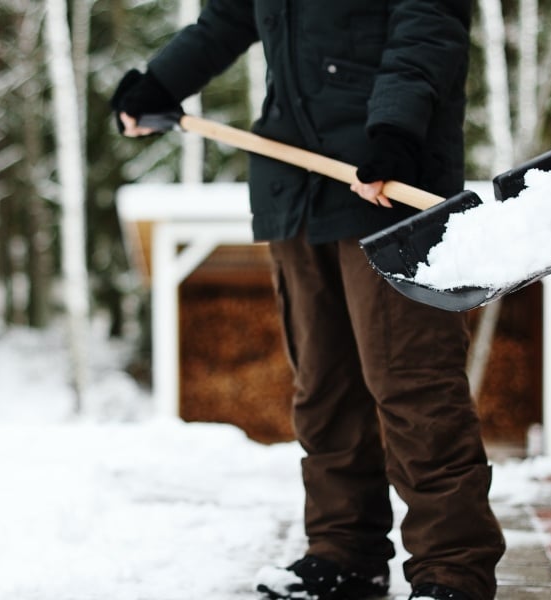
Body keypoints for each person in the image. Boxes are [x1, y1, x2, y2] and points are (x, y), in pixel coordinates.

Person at [110, 2, 505, 599]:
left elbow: (428, 24)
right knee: (323, 387)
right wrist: (162, 81)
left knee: (414, 385)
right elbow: (225, 21)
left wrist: (395, 129)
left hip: (388, 185)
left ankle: (452, 571)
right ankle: (345, 551)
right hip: (295, 185)